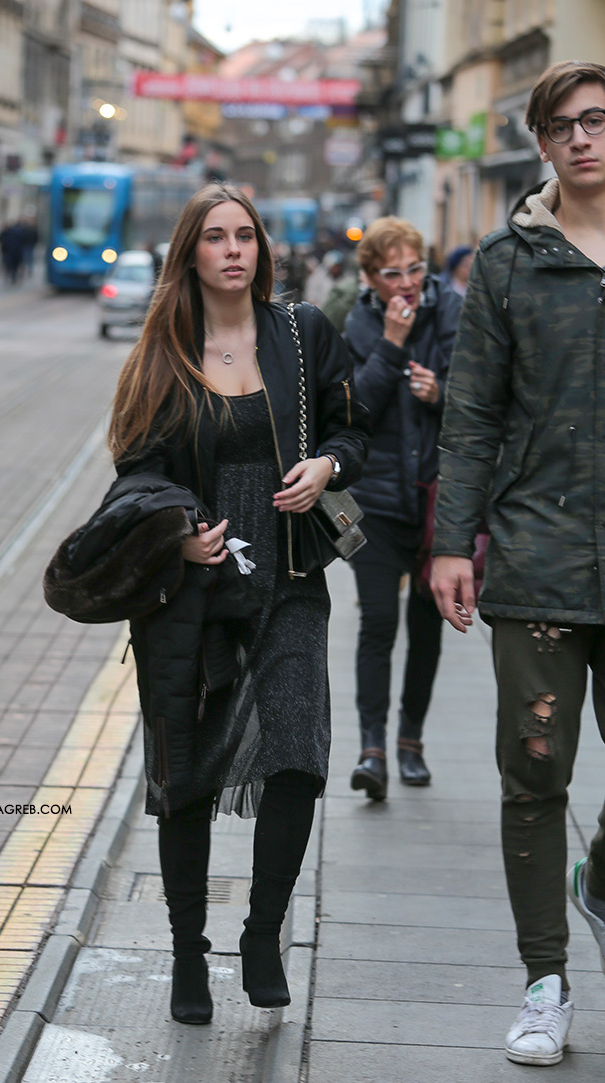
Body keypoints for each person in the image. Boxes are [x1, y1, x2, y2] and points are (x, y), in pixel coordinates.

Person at [106, 183, 369, 1025]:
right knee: (186, 774)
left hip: (291, 577)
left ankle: (262, 930)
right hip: (195, 591)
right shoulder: (162, 354)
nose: (233, 250)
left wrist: (327, 465)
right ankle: (188, 952)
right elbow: (135, 474)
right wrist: (177, 534)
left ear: (261, 249)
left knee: (297, 751)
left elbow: (350, 428)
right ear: (190, 253)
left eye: (245, 236)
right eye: (215, 237)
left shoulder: (301, 332)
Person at [431, 59, 605, 1066]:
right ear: (541, 143)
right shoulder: (504, 261)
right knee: (535, 774)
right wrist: (452, 542)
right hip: (538, 554)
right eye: (564, 126)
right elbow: (470, 421)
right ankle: (545, 984)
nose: (584, 138)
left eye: (597, 121)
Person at [343, 217, 462, 801]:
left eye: (416, 269)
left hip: (439, 502)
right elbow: (355, 409)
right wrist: (391, 344)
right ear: (371, 278)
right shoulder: (360, 321)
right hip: (374, 504)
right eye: (393, 273)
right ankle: (372, 747)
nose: (408, 283)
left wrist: (440, 393)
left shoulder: (453, 310)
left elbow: (481, 392)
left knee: (426, 625)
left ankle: (411, 740)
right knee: (378, 625)